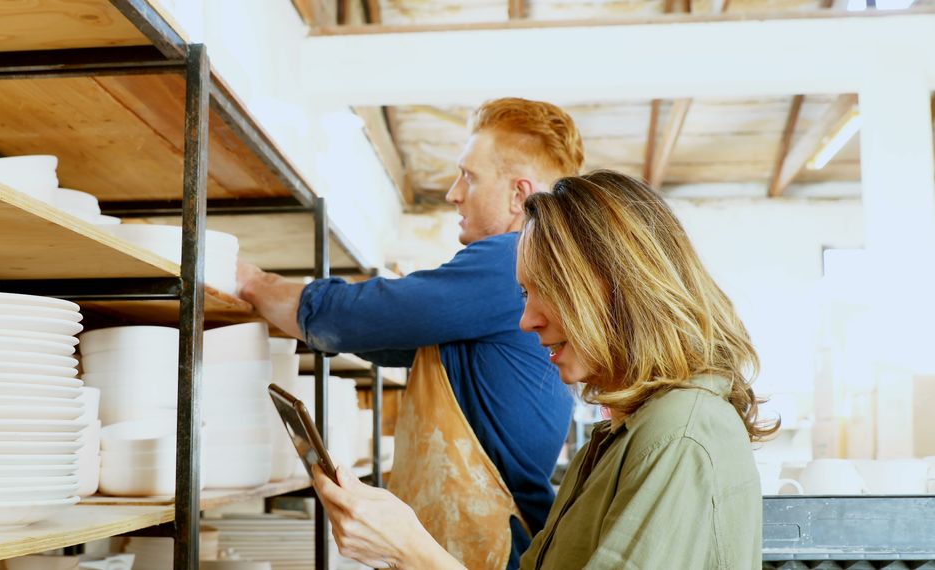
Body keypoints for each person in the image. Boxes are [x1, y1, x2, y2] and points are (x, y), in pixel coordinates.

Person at [311, 170, 778, 570]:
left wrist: (410, 549)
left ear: (617, 287)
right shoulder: (620, 436)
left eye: (546, 290)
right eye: (524, 294)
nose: (526, 320)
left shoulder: (679, 437)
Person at [237, 98, 585, 569]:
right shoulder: (518, 277)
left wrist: (254, 284)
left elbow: (365, 316)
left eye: (469, 176)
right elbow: (385, 334)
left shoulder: (513, 258)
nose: (453, 194)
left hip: (489, 548)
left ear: (518, 195)